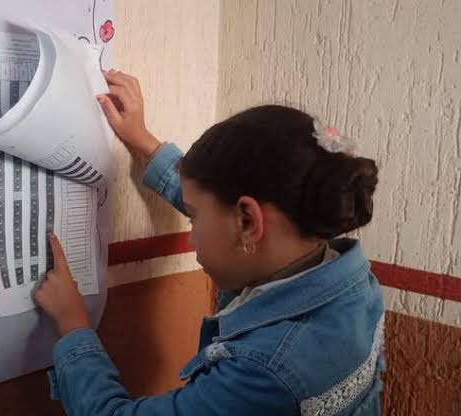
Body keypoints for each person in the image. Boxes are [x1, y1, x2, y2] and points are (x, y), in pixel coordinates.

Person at [33, 69, 385, 416]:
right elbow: (218, 202)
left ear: (248, 221)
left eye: (193, 217)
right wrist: (144, 142)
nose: (191, 235)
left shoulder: (263, 369)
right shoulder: (350, 283)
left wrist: (73, 325)